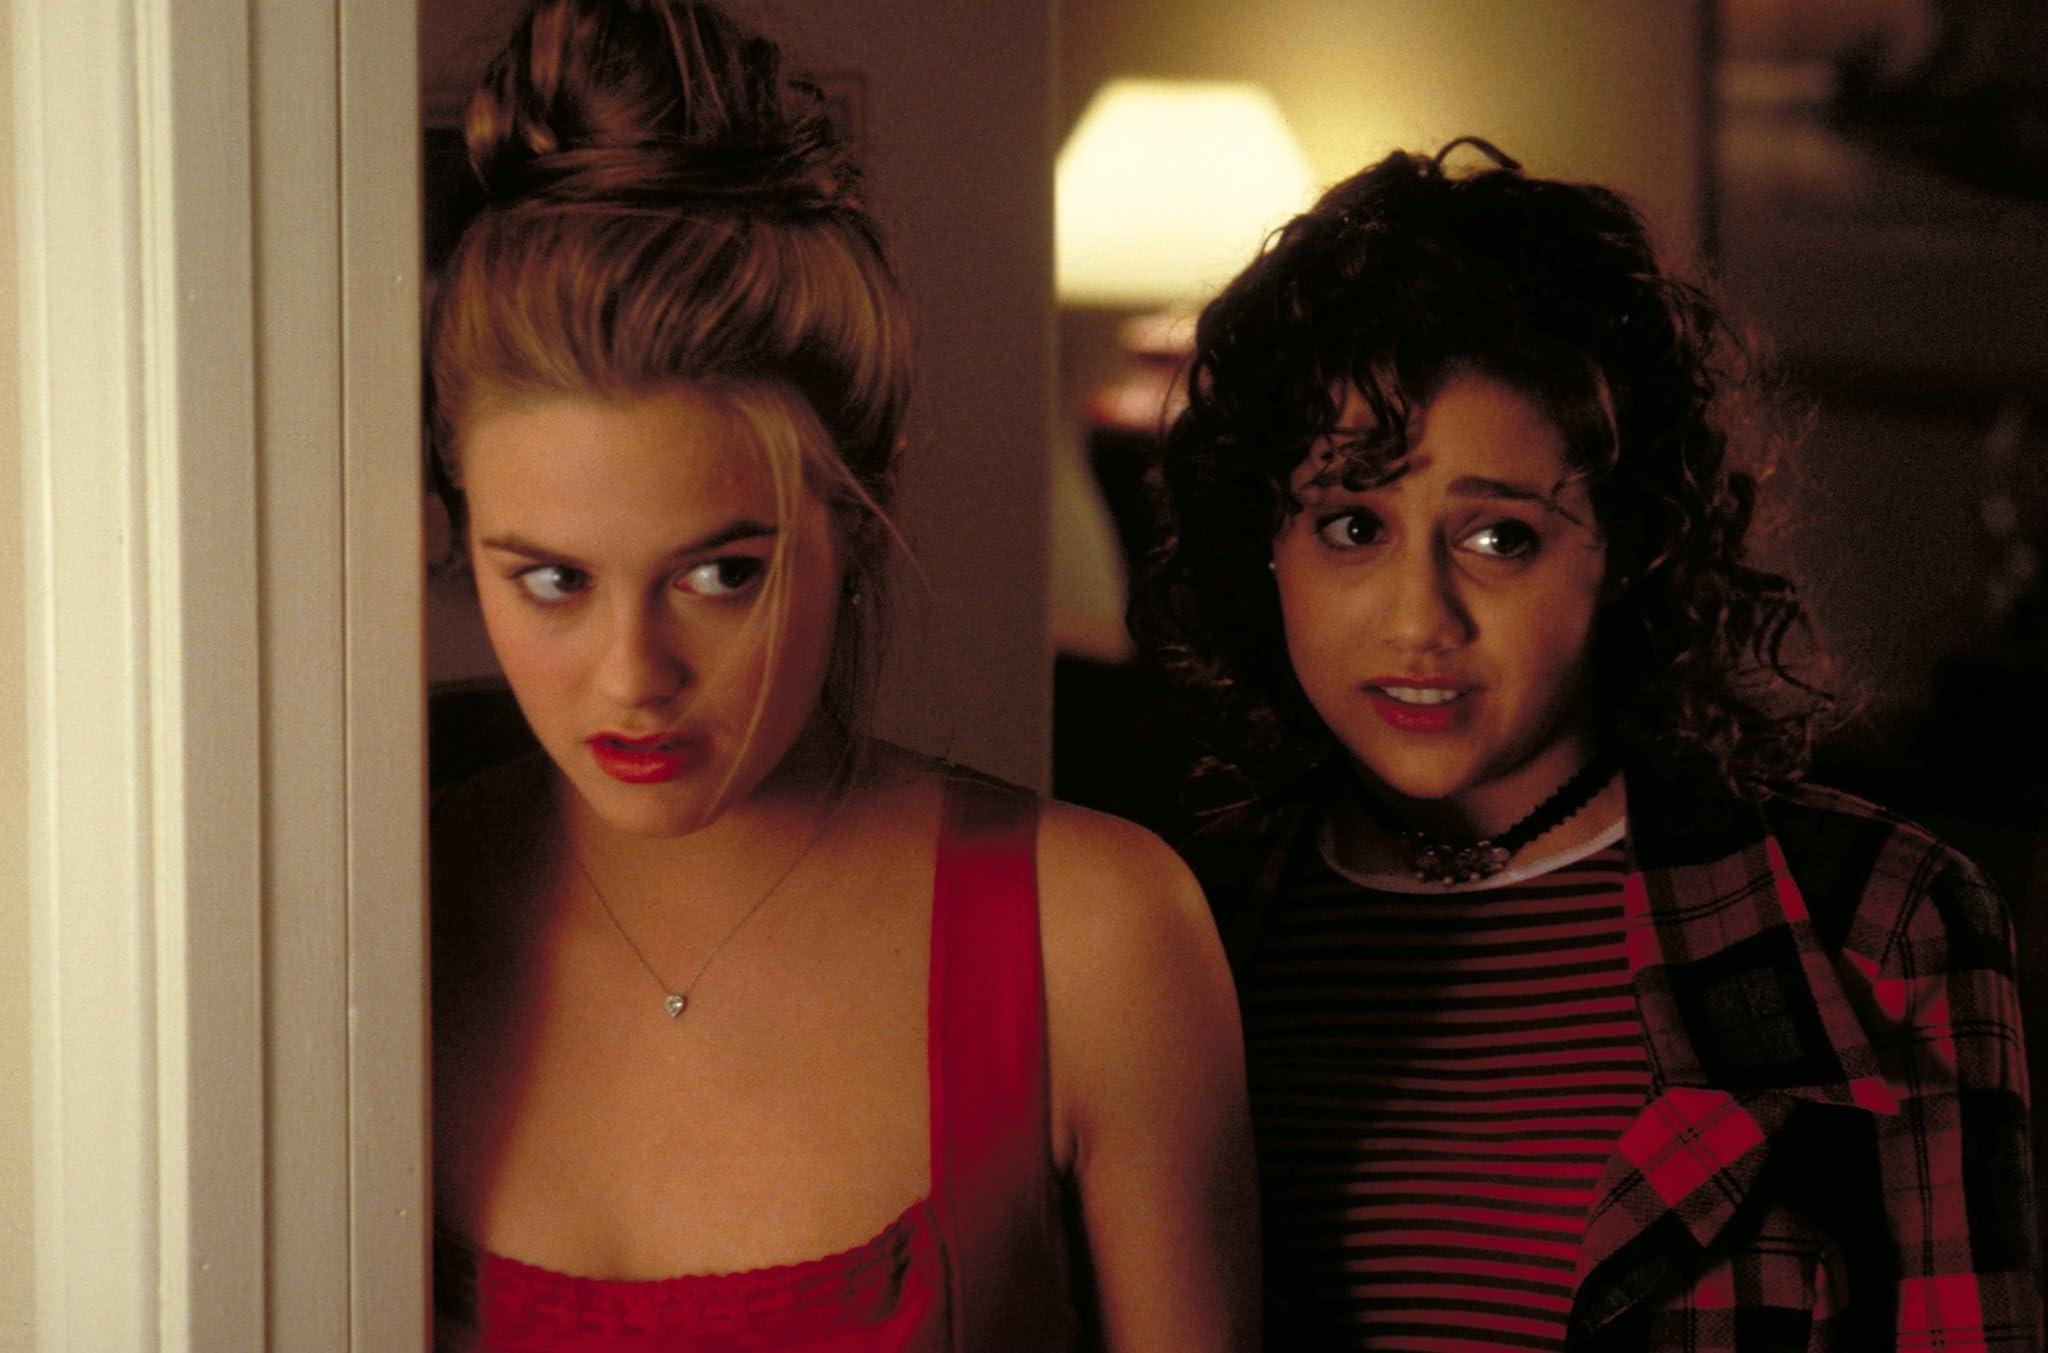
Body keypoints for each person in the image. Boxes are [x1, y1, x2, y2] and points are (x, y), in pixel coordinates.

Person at [424, 3, 1258, 1348]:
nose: (632, 677)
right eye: (553, 581)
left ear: (860, 523)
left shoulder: (1095, 936)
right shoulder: (377, 918)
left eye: (720, 573)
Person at [1135, 139, 2039, 1349]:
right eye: (1351, 526)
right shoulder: (1173, 935)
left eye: (1498, 538)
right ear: (1268, 549)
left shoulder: (1876, 923)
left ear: (1624, 551)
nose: (1417, 620)